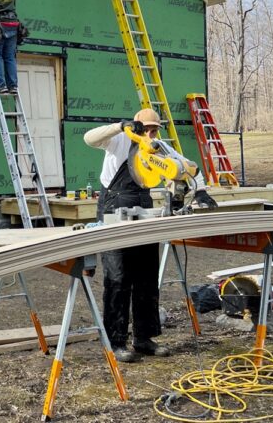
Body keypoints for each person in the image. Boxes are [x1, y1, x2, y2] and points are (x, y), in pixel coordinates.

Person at [84, 108, 217, 362]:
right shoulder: (120, 140)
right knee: (118, 277)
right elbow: (89, 138)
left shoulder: (160, 146)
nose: (149, 133)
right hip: (114, 205)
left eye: (153, 129)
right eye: (145, 128)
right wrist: (119, 126)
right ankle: (116, 341)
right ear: (136, 125)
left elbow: (188, 167)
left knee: (146, 276)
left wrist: (199, 189)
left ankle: (144, 338)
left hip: (143, 207)